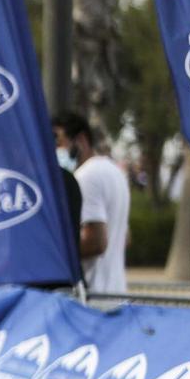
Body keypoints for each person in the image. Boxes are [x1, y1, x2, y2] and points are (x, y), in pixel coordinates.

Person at [55, 112, 130, 296]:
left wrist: (53, 252)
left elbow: (96, 242)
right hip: (115, 293)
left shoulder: (85, 177)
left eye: (58, 141)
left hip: (93, 295)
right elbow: (126, 237)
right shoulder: (114, 171)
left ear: (80, 139)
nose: (56, 148)